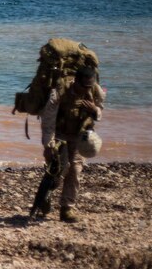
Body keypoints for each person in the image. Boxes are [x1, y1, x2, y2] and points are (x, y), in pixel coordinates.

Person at [38, 66, 104, 223]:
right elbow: (48, 121)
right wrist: (49, 145)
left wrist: (94, 110)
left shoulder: (96, 90)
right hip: (59, 133)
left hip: (79, 135)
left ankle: (67, 208)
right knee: (59, 170)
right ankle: (45, 196)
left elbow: (100, 110)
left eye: (90, 85)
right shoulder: (60, 91)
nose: (87, 89)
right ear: (76, 81)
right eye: (84, 86)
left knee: (75, 169)